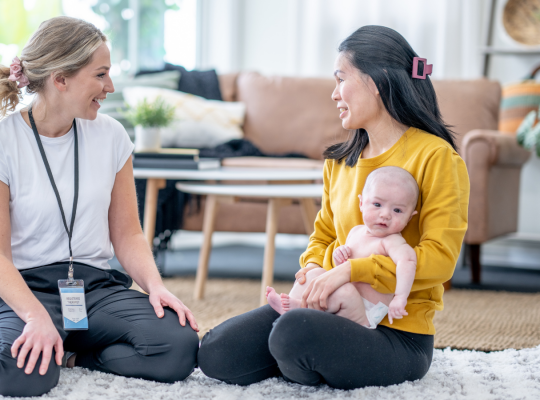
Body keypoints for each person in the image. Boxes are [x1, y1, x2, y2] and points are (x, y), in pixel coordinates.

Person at [0, 16, 199, 397]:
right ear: (60, 79)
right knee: (24, 372)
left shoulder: (112, 136)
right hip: (20, 289)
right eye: (100, 75)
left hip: (93, 288)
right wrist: (34, 316)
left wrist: (155, 286)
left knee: (178, 347)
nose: (110, 87)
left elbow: (127, 233)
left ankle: (67, 356)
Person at [197, 25, 470, 389]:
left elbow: (440, 260)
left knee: (292, 333)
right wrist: (313, 271)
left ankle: (302, 354)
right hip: (327, 309)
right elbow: (323, 235)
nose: (334, 93)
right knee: (216, 352)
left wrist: (351, 271)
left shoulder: (437, 158)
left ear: (375, 82)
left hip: (398, 336)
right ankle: (307, 356)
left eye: (341, 79)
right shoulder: (340, 163)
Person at [266, 166, 419, 329]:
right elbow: (342, 269)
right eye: (377, 204)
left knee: (344, 291)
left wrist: (400, 297)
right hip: (344, 299)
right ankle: (292, 307)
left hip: (364, 312)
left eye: (397, 210)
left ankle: (300, 309)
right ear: (361, 203)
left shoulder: (391, 241)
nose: (385, 214)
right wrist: (340, 255)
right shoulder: (356, 232)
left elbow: (408, 261)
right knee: (315, 274)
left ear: (409, 217)